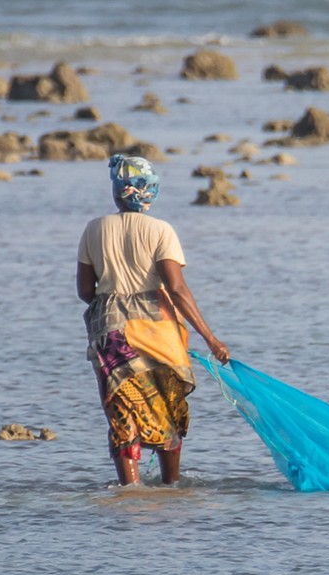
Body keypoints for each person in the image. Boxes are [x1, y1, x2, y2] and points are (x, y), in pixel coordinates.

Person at [77, 155, 230, 485]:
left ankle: (129, 492)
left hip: (111, 330)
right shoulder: (162, 230)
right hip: (159, 330)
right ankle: (170, 488)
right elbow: (176, 288)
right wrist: (210, 338)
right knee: (168, 408)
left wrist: (114, 300)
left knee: (122, 413)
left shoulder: (94, 229)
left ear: (117, 192)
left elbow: (85, 291)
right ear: (151, 193)